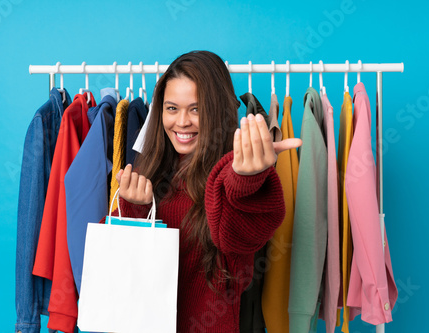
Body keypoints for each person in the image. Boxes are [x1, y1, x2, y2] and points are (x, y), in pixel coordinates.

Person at [107, 50, 302, 332]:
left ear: (219, 110)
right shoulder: (150, 171)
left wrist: (244, 179)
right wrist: (134, 211)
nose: (182, 121)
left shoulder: (229, 176)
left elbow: (239, 235)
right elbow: (115, 264)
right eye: (172, 108)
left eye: (196, 109)